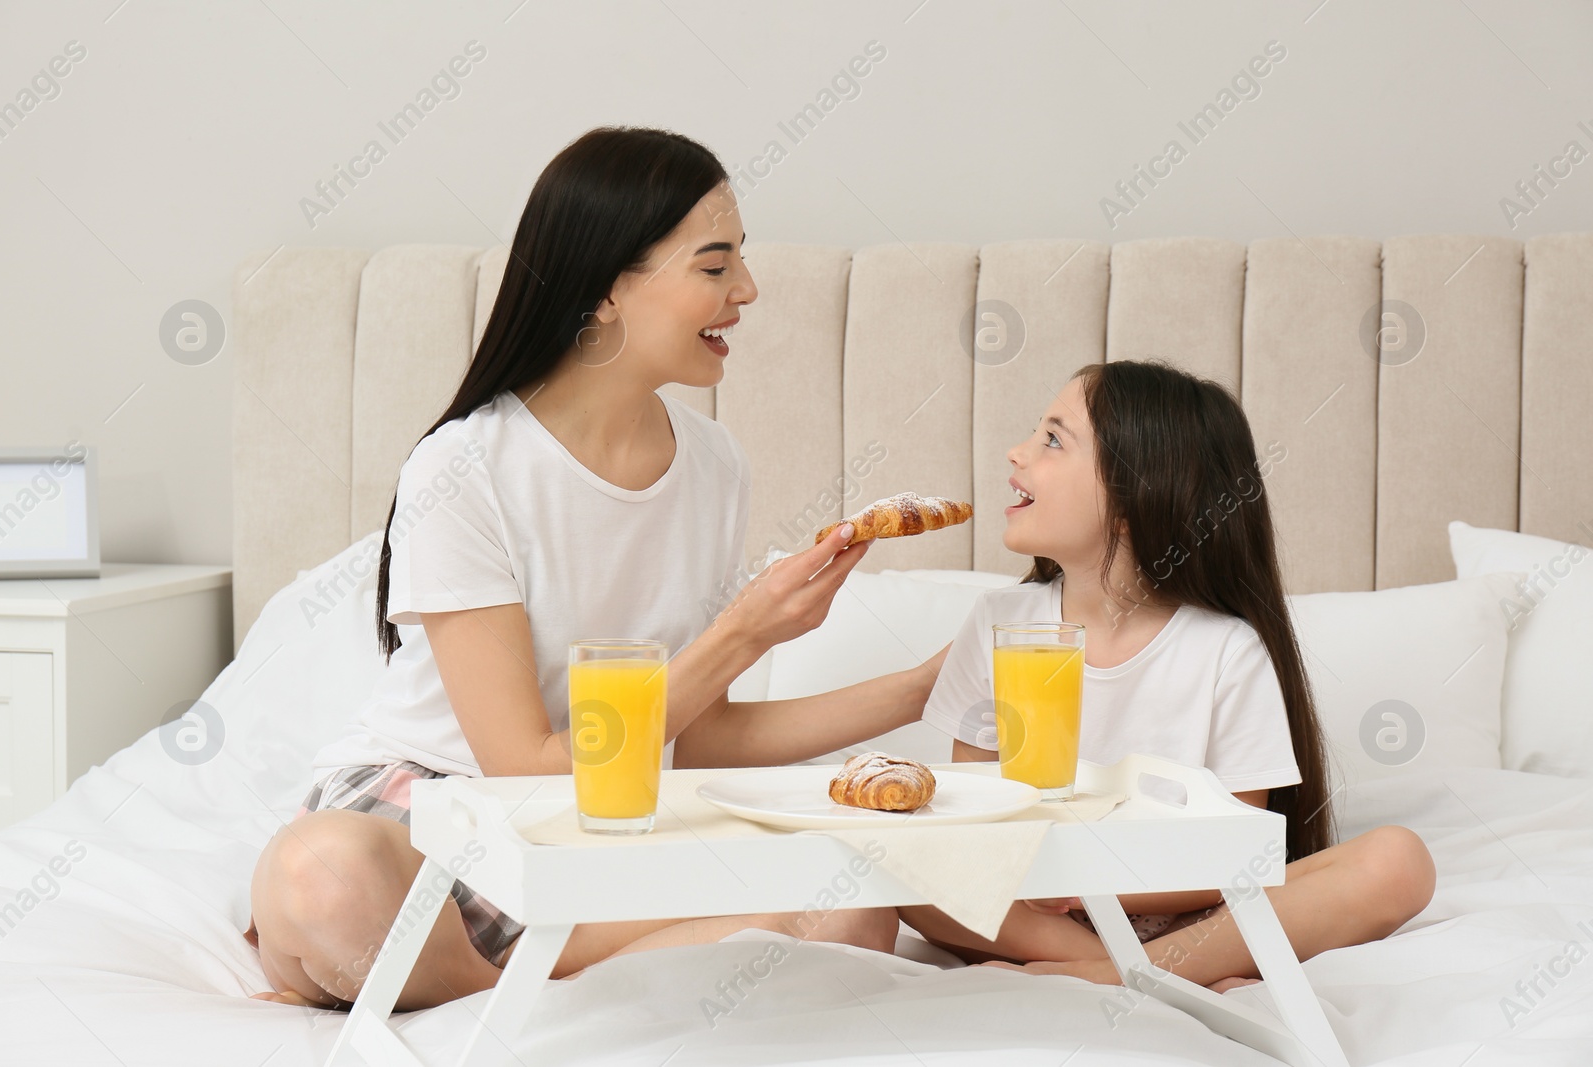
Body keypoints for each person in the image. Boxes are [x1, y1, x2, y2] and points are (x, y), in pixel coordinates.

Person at [245, 126, 944, 1010]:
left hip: (600, 821)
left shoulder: (714, 463)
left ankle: (484, 979)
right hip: (446, 815)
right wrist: (740, 633)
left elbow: (700, 736)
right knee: (324, 876)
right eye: (715, 266)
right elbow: (521, 767)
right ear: (610, 287)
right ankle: (507, 977)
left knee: (853, 909)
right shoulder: (466, 467)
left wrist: (924, 686)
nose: (748, 291)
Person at [901, 359, 1436, 991]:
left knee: (1399, 861)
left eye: (1052, 439)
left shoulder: (1226, 651)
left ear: (1134, 499)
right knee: (902, 864)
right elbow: (977, 813)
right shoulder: (999, 623)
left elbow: (1235, 851)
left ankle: (1121, 972)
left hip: (1193, 910)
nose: (1016, 452)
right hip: (1038, 908)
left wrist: (1086, 888)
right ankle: (1131, 969)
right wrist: (1047, 885)